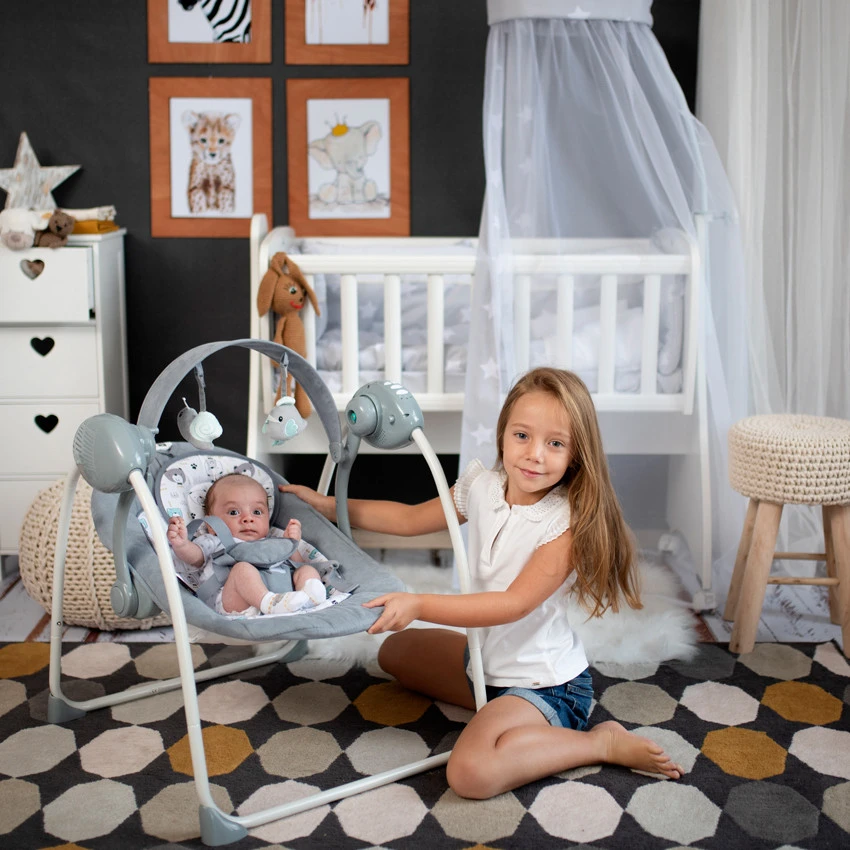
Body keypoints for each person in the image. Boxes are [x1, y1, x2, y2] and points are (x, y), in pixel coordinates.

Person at [280, 367, 684, 798]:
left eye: (555, 444)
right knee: (394, 652)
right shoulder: (483, 487)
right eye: (522, 435)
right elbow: (409, 518)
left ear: (576, 454)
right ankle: (501, 715)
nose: (534, 455)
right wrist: (326, 505)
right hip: (483, 668)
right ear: (502, 434)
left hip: (544, 685)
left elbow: (512, 604)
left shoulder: (564, 522)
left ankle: (597, 742)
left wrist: (420, 604)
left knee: (471, 773)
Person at [167, 472, 327, 616]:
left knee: (306, 570)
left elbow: (297, 564)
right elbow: (195, 557)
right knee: (242, 569)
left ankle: (310, 598)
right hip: (235, 602)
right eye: (234, 512)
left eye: (257, 512)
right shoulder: (215, 541)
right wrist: (182, 544)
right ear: (211, 525)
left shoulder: (273, 542)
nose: (248, 518)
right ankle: (268, 603)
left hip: (286, 599)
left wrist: (291, 544)